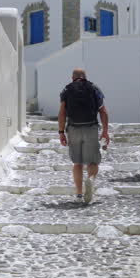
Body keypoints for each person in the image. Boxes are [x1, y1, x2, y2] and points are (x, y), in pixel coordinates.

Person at [58, 68, 110, 204]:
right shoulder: (94, 88)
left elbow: (62, 113)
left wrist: (61, 132)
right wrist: (105, 131)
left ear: (72, 78)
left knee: (77, 163)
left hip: (73, 129)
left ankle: (79, 193)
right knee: (92, 162)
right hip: (91, 128)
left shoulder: (67, 90)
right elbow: (103, 111)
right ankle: (90, 180)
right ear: (85, 77)